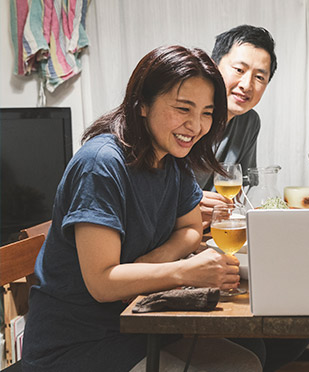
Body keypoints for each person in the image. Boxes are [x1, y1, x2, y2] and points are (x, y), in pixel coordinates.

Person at [21, 45, 262, 372]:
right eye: (183, 108)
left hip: (141, 322)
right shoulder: (102, 164)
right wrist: (184, 270)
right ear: (143, 105)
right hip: (78, 344)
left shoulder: (173, 158)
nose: (195, 125)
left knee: (246, 361)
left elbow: (191, 228)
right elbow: (103, 283)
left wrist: (154, 259)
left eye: (206, 112)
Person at [197, 24, 278, 229]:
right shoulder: (188, 114)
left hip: (209, 231)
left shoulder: (249, 122)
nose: (246, 85)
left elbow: (241, 187)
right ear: (214, 66)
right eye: (239, 70)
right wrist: (187, 204)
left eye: (260, 77)